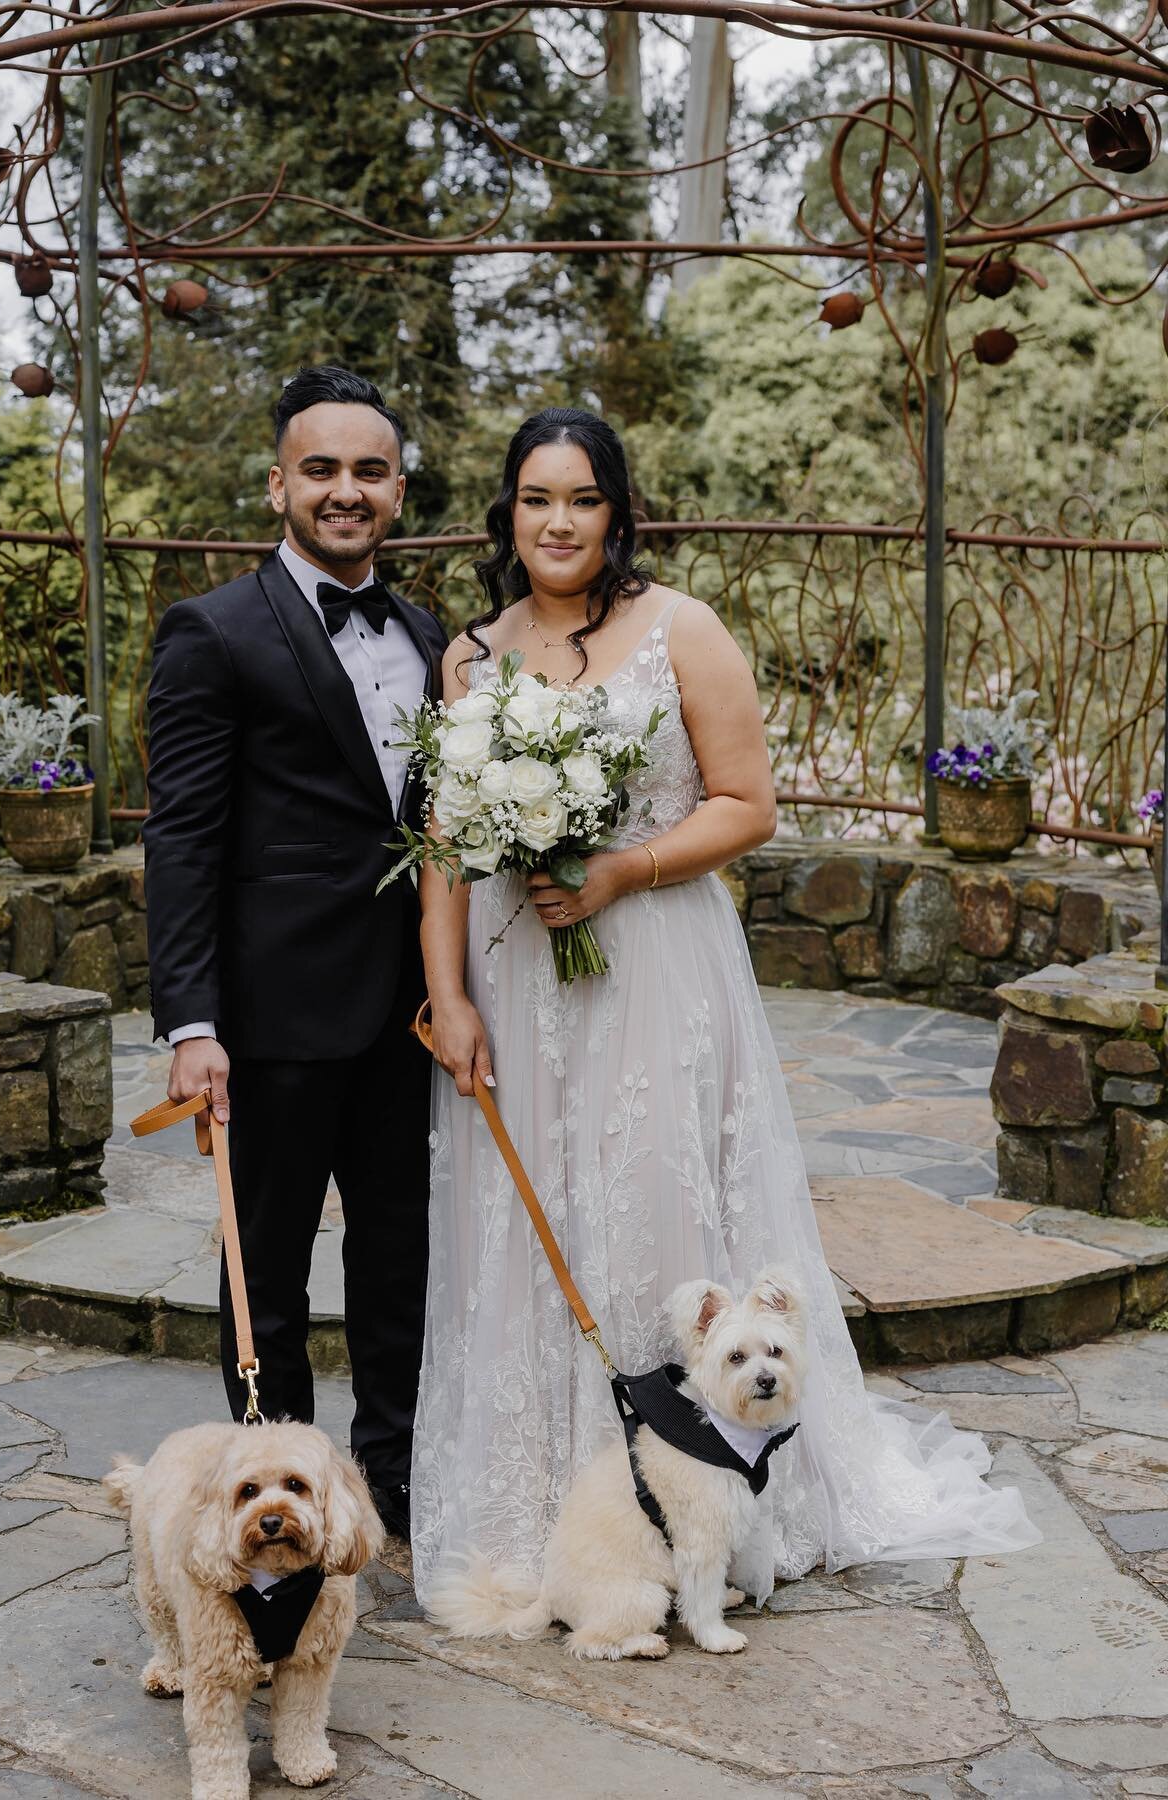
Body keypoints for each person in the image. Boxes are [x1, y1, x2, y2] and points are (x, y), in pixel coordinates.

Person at [410, 406, 1038, 1600]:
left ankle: (699, 1509)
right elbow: (444, 844)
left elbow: (747, 805)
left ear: (617, 511)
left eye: (583, 499)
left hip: (651, 963)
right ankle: (549, 1512)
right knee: (527, 1224)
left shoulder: (679, 628)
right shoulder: (472, 658)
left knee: (655, 1211)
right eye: (536, 498)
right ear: (506, 514)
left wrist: (617, 868)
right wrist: (448, 997)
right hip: (515, 972)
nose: (558, 521)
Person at [144, 365, 446, 1539]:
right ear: (278, 485)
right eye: (320, 469)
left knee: (397, 1260)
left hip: (405, 1011)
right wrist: (192, 1022)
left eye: (368, 472)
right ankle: (273, 1503)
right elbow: (184, 841)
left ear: (399, 492)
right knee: (263, 1273)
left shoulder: (427, 634)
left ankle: (392, 1478)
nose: (345, 491)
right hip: (269, 1018)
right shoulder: (210, 632)